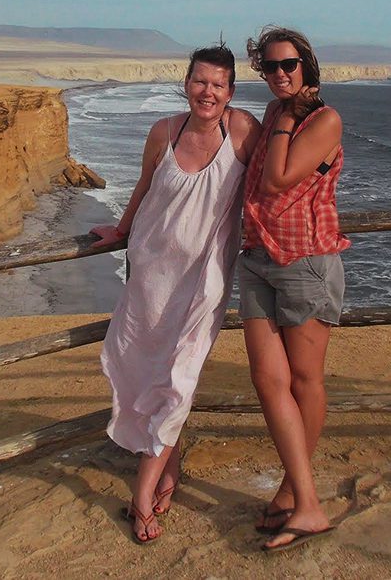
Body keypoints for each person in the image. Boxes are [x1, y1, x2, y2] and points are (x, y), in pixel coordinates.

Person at [91, 44, 261, 544]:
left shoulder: (243, 132)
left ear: (231, 91)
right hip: (149, 274)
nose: (207, 91)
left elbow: (273, 181)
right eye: (199, 81)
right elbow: (145, 187)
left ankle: (141, 496)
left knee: (179, 376)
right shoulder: (163, 132)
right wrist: (121, 230)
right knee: (146, 369)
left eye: (218, 84)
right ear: (186, 83)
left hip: (203, 280)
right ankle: (170, 464)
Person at [238, 26, 350, 552]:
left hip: (306, 263)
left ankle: (300, 500)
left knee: (305, 381)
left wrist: (283, 116)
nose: (280, 74)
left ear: (307, 65)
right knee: (267, 379)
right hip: (258, 259)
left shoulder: (324, 120)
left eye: (289, 65)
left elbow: (276, 180)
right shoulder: (271, 114)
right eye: (269, 67)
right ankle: (296, 495)